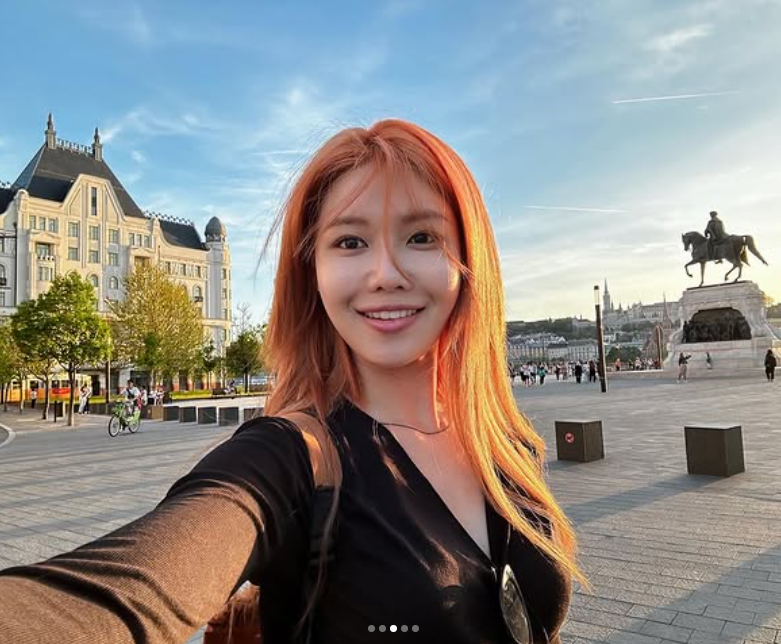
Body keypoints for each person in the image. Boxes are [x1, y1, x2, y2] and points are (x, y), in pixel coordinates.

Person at [0, 119, 585, 643]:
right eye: (350, 242)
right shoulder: (287, 461)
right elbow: (122, 590)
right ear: (313, 273)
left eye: (421, 237)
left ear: (469, 260)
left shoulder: (508, 444)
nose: (385, 274)